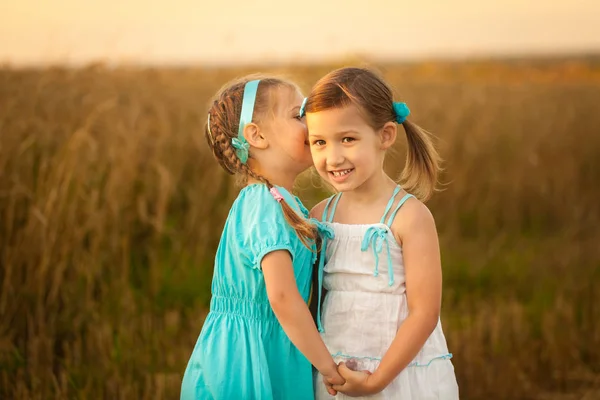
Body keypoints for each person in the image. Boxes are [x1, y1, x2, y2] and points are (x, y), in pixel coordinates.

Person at [181, 76, 343, 399]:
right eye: (299, 114)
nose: (310, 122)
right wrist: (326, 365)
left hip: (274, 350)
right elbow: (282, 297)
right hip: (245, 362)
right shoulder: (264, 204)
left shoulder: (281, 202)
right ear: (256, 135)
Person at [304, 67, 459, 399]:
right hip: (339, 374)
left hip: (399, 376)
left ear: (385, 135)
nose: (333, 157)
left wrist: (376, 382)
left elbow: (425, 313)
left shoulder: (409, 217)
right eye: (319, 142)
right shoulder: (320, 217)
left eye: (348, 139)